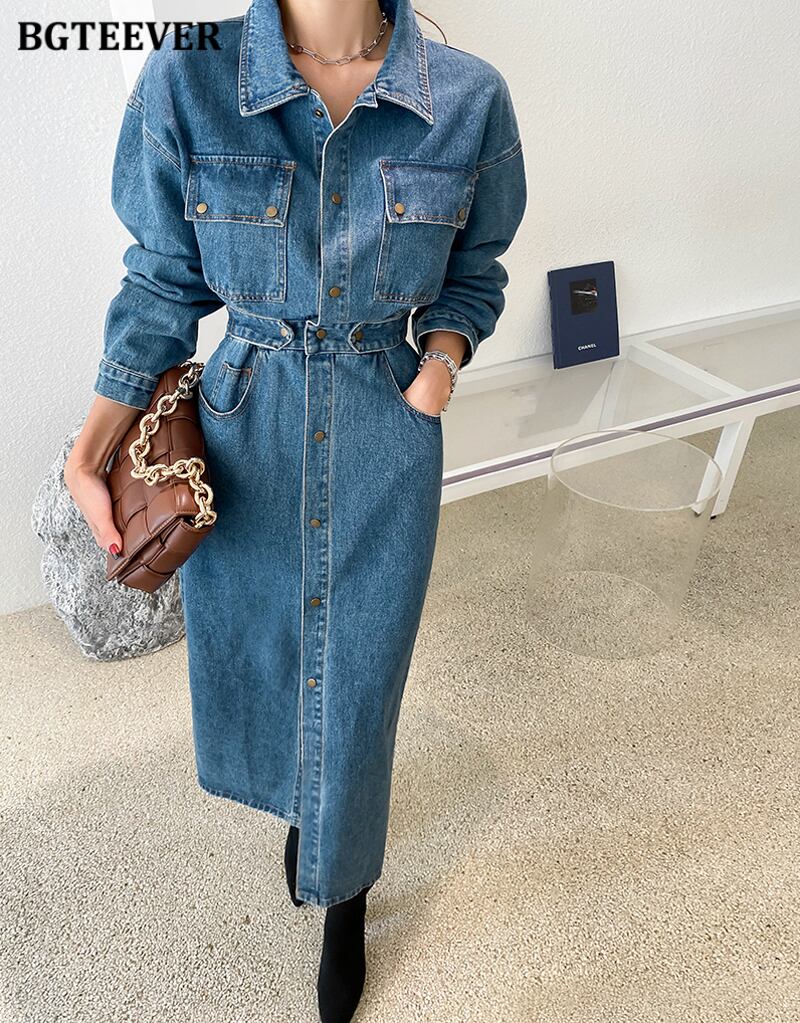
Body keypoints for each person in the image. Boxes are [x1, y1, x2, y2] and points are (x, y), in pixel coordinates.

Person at [65, 0, 527, 1019]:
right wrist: (88, 449)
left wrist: (440, 365)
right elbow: (162, 281)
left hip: (383, 429)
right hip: (247, 428)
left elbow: (475, 269)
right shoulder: (190, 76)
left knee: (361, 673)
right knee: (266, 650)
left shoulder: (466, 97)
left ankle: (344, 897)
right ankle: (307, 811)